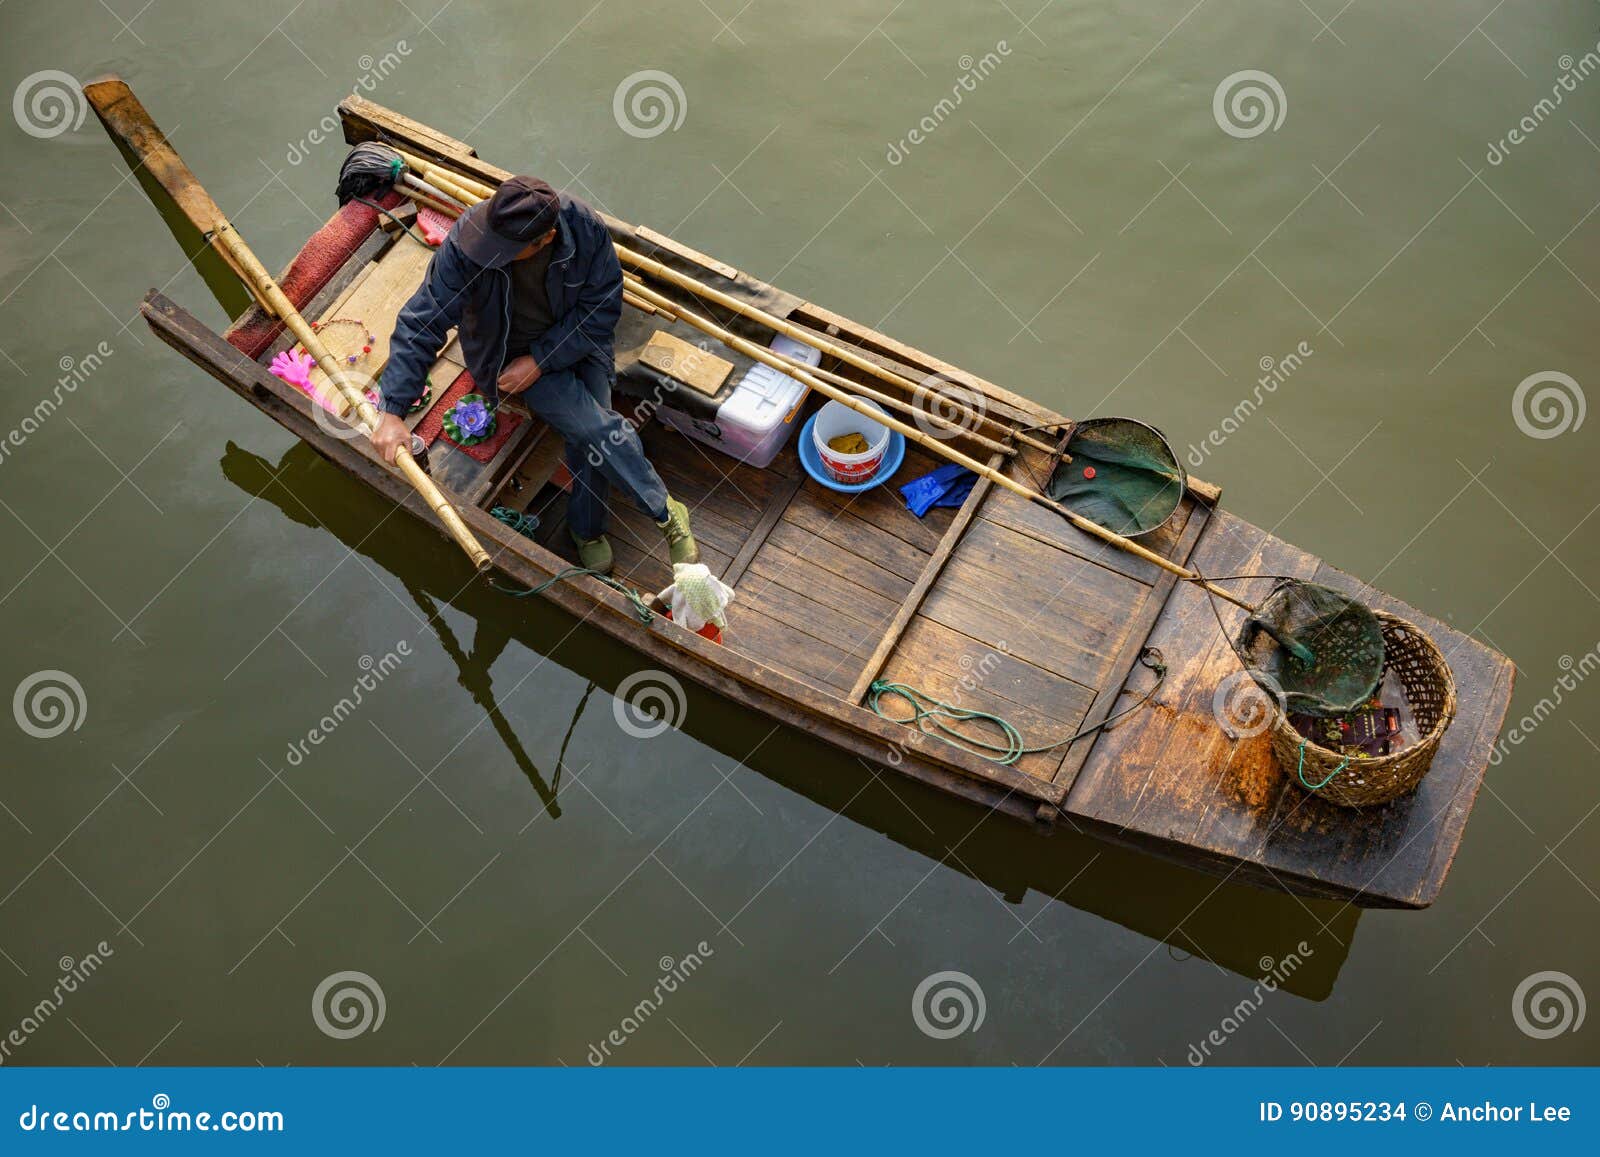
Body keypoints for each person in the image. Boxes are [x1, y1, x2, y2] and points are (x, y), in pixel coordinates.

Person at [371, 176, 696, 575]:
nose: (490, 255)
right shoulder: (467, 245)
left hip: (577, 342)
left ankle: (599, 527)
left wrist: (542, 359)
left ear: (546, 239)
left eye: (505, 252)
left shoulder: (584, 228)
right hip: (509, 356)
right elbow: (422, 324)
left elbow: (602, 308)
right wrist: (392, 411)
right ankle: (650, 515)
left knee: (592, 430)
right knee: (591, 429)